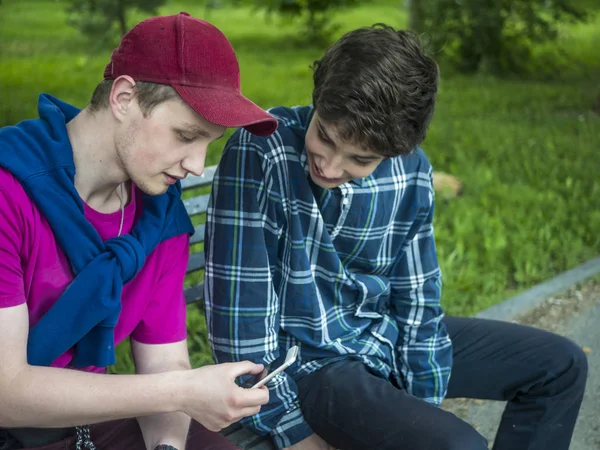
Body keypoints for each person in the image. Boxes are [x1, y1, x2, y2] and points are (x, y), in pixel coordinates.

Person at [204, 24, 589, 450]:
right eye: (325, 138)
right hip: (315, 367)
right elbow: (241, 328)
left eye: (360, 159)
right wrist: (292, 432)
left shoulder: (411, 170)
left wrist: (422, 404)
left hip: (380, 337)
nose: (330, 166)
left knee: (560, 365)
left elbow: (418, 301)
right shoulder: (262, 151)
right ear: (318, 99)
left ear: (394, 151)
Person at [0, 12, 278, 450]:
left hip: (79, 424)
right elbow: (6, 392)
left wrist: (167, 446)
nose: (195, 165)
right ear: (124, 97)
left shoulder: (158, 219)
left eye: (209, 143)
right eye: (186, 135)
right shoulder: (10, 191)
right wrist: (182, 390)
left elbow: (164, 361)